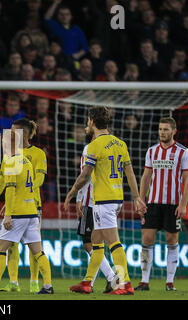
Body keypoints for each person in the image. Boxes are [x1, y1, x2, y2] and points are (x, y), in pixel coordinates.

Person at [64, 106, 147, 295]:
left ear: (92, 121)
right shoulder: (120, 143)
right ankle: (87, 283)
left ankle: (124, 283)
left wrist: (71, 192)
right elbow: (130, 172)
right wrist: (135, 197)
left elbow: (85, 176)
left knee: (114, 243)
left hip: (103, 201)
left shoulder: (95, 145)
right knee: (96, 240)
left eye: (87, 120)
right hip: (116, 199)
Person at [0, 129, 53, 294]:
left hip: (18, 214)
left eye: (3, 140)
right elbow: (15, 184)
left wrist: (9, 213)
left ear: (9, 143)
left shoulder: (11, 161)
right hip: (31, 212)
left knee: (0, 248)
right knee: (38, 251)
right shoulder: (25, 161)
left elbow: (10, 189)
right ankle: (48, 286)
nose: (0, 143)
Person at [135, 117, 188, 291]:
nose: (162, 132)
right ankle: (144, 281)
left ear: (174, 131)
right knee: (147, 238)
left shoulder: (183, 152)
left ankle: (169, 282)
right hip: (153, 202)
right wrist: (140, 199)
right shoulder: (152, 151)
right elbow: (146, 176)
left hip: (173, 203)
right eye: (160, 129)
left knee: (171, 239)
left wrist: (183, 204)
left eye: (166, 129)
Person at [0, 118, 51, 293]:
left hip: (31, 204)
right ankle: (13, 282)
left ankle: (34, 281)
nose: (10, 134)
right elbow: (3, 179)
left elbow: (40, 178)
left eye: (13, 131)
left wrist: (26, 191)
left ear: (24, 134)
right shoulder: (9, 155)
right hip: (18, 205)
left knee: (29, 246)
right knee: (16, 246)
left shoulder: (38, 154)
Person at [75, 127, 118, 293]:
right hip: (108, 199)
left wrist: (78, 198)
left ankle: (111, 277)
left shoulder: (90, 148)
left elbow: (84, 175)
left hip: (90, 201)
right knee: (98, 243)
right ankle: (89, 284)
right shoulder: (113, 147)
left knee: (89, 244)